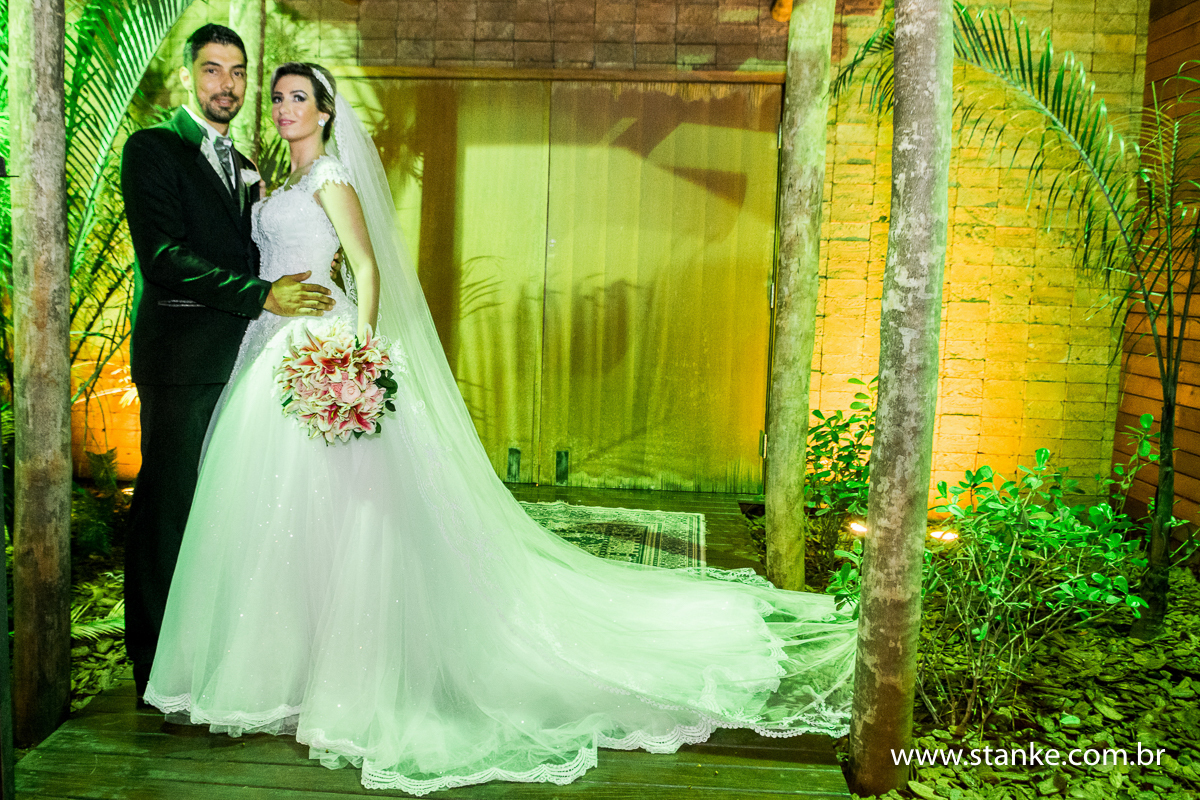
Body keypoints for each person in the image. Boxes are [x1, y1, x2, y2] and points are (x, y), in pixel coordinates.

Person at [145, 62, 858, 795]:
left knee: (344, 518)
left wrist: (354, 354)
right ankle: (283, 671)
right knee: (269, 518)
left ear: (326, 115)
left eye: (300, 99)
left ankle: (348, 675)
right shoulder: (274, 183)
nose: (285, 107)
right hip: (267, 353)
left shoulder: (329, 176)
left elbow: (365, 265)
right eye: (280, 98)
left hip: (322, 351)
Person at [121, 25, 335, 706]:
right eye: (213, 70)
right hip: (182, 362)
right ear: (188, 76)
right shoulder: (153, 149)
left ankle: (209, 659)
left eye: (238, 73)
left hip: (245, 362)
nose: (227, 85)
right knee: (170, 515)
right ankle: (156, 673)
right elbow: (164, 258)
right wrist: (260, 294)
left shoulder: (242, 164)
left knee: (224, 520)